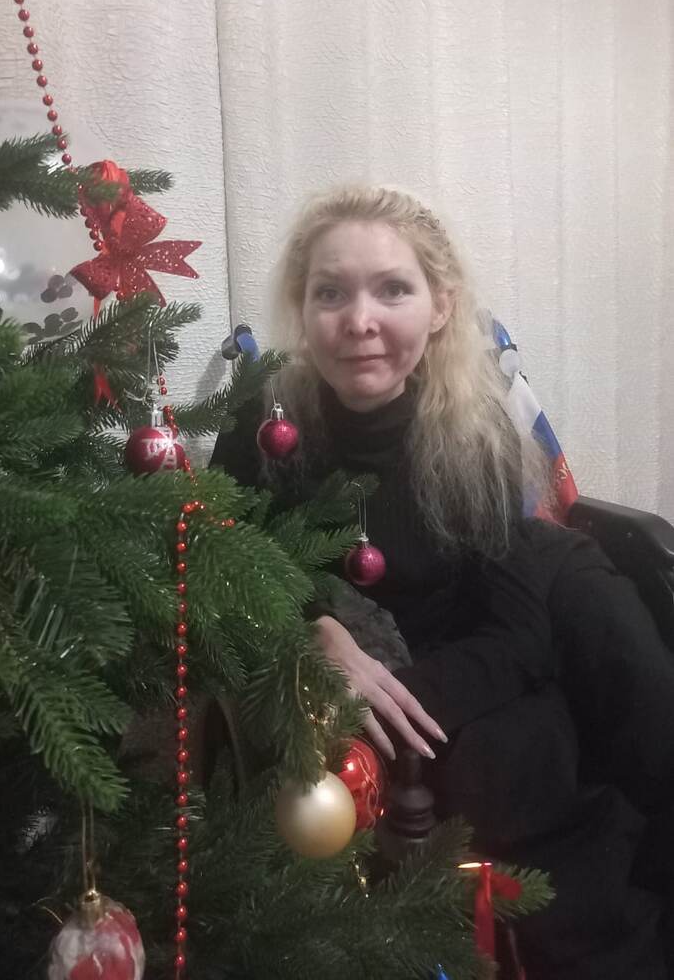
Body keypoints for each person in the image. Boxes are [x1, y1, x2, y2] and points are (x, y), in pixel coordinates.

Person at [210, 186, 674, 979]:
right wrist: (313, 629)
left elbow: (517, 633)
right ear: (302, 307)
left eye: (393, 289)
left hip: (468, 654)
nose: (359, 320)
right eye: (331, 293)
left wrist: (397, 702)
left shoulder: (473, 427)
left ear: (440, 307)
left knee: (559, 720)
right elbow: (221, 564)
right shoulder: (266, 422)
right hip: (340, 675)